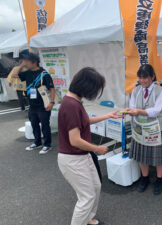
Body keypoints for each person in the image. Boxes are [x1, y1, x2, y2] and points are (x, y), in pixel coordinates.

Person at [57, 67, 122, 225]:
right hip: (73, 158)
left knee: (96, 187)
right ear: (87, 86)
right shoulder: (71, 105)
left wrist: (108, 115)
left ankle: (88, 219)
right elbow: (75, 140)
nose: (96, 93)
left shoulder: (74, 101)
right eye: (96, 89)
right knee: (87, 197)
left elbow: (85, 122)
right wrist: (97, 148)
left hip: (81, 156)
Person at [125, 64, 162, 195]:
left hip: (155, 128)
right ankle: (145, 177)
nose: (142, 80)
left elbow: (155, 111)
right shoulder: (136, 90)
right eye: (140, 78)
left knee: (157, 155)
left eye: (145, 77)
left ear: (152, 77)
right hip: (139, 127)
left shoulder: (160, 91)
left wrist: (137, 111)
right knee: (141, 155)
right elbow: (132, 106)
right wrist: (130, 111)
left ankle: (159, 179)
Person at [13, 52, 55, 154]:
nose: (25, 63)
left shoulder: (44, 74)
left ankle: (47, 145)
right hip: (32, 105)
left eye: (27, 61)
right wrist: (21, 65)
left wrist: (52, 102)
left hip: (43, 106)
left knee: (45, 126)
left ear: (34, 62)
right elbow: (15, 75)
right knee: (34, 124)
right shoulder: (27, 73)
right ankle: (37, 143)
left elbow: (52, 88)